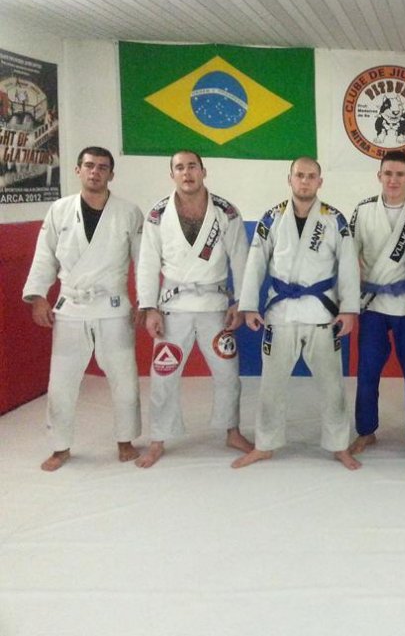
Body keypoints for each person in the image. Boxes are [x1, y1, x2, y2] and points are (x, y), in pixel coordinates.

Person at [233, 157, 361, 470]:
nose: (305, 181)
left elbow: (348, 265)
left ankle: (339, 445)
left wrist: (349, 310)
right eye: (299, 175)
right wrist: (248, 306)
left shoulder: (335, 219)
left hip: (322, 313)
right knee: (271, 386)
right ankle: (265, 444)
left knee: (332, 385)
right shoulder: (272, 218)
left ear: (320, 181)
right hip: (280, 313)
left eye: (311, 176)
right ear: (289, 179)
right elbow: (255, 263)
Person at [22, 146, 143, 471]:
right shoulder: (59, 210)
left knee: (125, 378)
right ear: (78, 170)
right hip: (71, 306)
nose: (95, 172)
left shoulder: (129, 212)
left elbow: (142, 260)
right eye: (89, 166)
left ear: (111, 174)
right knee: (61, 382)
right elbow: (44, 256)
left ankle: (126, 439)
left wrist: (146, 302)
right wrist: (38, 296)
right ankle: (60, 446)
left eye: (102, 167)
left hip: (113, 305)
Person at [134, 150, 253, 468]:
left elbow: (241, 258)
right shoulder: (158, 213)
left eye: (192, 167)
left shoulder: (226, 211)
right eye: (180, 168)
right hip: (173, 306)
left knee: (228, 372)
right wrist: (149, 307)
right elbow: (147, 263)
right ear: (171, 174)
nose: (186, 173)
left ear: (203, 171)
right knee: (164, 374)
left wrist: (241, 303)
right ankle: (158, 438)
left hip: (215, 305)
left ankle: (232, 430)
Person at [348, 150, 405, 453]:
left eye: (399, 174)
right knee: (368, 370)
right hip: (372, 303)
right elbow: (348, 257)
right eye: (388, 173)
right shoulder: (363, 211)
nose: (393, 180)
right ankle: (366, 430)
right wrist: (348, 300)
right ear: (379, 176)